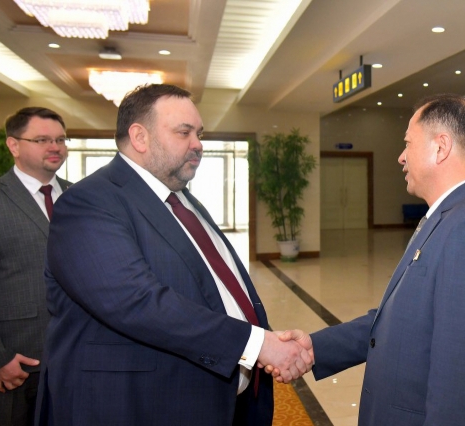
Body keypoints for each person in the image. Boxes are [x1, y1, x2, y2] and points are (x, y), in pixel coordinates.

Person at [34, 84, 313, 426]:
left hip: (215, 395)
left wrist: (266, 341)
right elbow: (136, 301)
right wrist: (256, 344)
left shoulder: (182, 199)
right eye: (184, 132)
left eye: (199, 133)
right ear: (140, 137)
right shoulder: (88, 202)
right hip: (135, 405)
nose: (198, 144)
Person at [273, 94, 465, 425]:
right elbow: (399, 319)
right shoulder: (447, 217)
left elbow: (461, 377)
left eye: (408, 144)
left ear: (440, 147)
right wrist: (316, 348)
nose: (401, 157)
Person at [0, 107, 71, 426]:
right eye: (42, 139)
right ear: (14, 145)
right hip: (11, 367)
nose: (55, 147)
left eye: (61, 139)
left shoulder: (80, 198)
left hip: (72, 361)